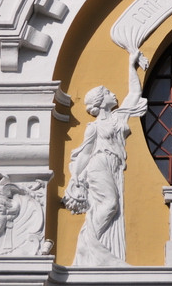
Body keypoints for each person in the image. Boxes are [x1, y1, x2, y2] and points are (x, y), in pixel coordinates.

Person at [63, 50, 148, 266]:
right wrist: (76, 178)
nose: (114, 95)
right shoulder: (94, 127)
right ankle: (90, 241)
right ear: (101, 102)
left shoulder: (119, 117)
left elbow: (134, 94)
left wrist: (131, 65)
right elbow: (84, 154)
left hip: (114, 166)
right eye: (108, 92)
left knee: (113, 205)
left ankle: (95, 245)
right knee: (110, 203)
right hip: (99, 164)